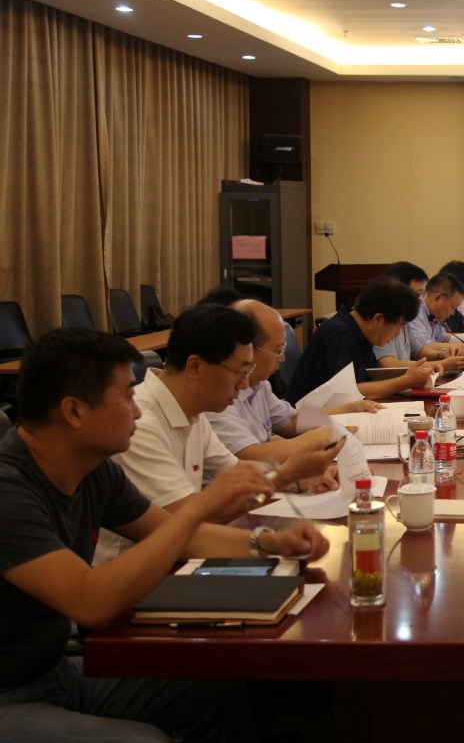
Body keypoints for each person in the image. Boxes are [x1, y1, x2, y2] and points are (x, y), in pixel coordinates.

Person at [0, 328, 328, 741]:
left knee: (214, 691)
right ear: (74, 412)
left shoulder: (94, 470)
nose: (137, 412)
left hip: (53, 672)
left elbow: (176, 536)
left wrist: (269, 544)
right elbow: (90, 602)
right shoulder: (9, 491)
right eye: (126, 398)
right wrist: (201, 508)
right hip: (11, 693)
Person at [96, 306, 343, 562]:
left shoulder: (192, 411)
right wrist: (287, 473)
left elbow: (237, 469)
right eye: (240, 372)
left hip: (178, 559)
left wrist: (301, 479)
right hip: (137, 568)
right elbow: (183, 524)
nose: (245, 384)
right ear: (195, 366)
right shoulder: (138, 425)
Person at [205, 300, 380, 479]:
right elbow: (251, 455)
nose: (282, 359)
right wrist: (319, 438)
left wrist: (348, 408)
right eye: (277, 351)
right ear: (247, 349)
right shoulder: (218, 395)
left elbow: (291, 421)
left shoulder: (259, 384)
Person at [285, 275, 434, 403]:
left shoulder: (362, 333)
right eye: (399, 326)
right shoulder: (338, 334)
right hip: (309, 417)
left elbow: (371, 379)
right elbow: (347, 392)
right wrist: (405, 381)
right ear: (378, 318)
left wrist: (414, 374)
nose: (397, 333)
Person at [373, 272, 464, 373]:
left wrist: (443, 354)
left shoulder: (405, 321)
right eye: (417, 294)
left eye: (422, 294)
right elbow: (391, 365)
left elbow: (418, 352)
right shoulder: (384, 320)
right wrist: (443, 364)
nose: (422, 300)